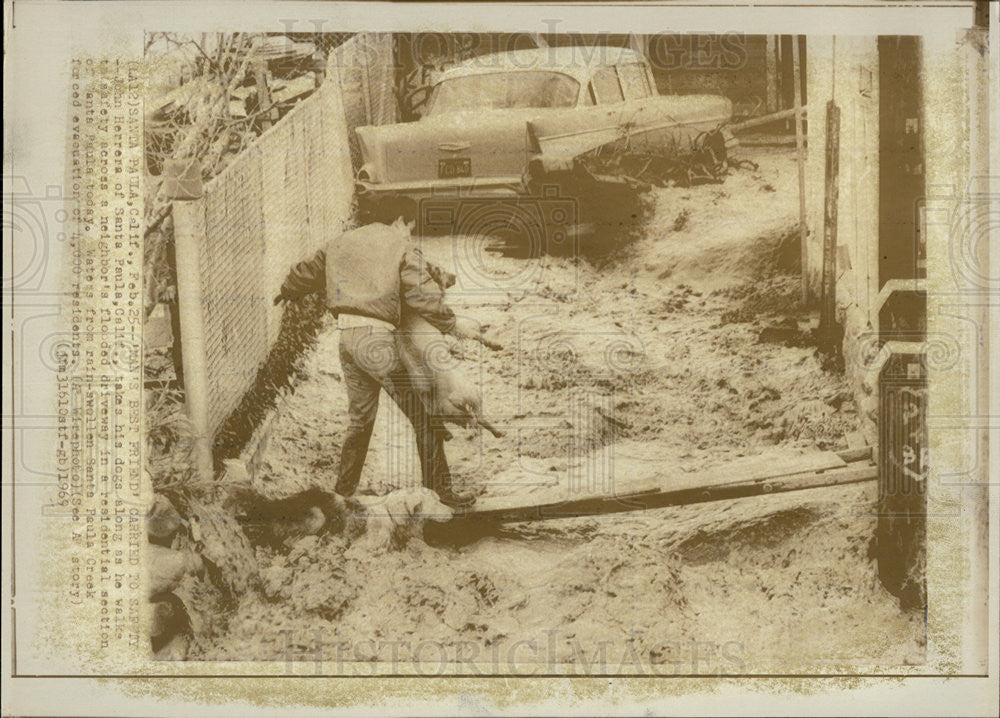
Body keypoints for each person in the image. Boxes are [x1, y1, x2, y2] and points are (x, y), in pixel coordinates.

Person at [274, 222, 482, 508]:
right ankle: (441, 495)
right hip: (377, 347)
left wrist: (288, 289)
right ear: (399, 222)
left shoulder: (339, 242)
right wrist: (450, 323)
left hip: (346, 341)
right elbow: (420, 294)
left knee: (360, 423)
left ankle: (342, 496)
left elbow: (307, 272)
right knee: (424, 416)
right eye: (408, 226)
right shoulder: (400, 245)